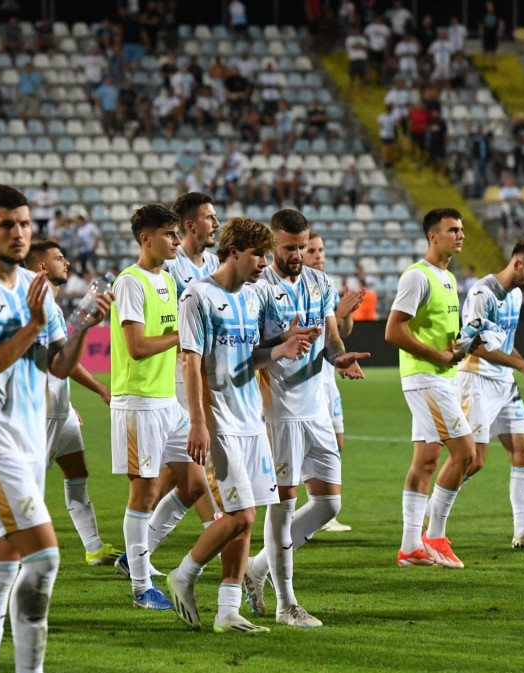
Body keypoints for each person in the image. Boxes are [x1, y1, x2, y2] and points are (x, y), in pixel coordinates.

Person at [0, 186, 111, 673]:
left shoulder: (35, 288)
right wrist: (33, 324)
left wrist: (81, 325)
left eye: (24, 224)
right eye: (6, 224)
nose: (18, 233)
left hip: (28, 442)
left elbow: (58, 366)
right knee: (43, 559)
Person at [168, 216, 311, 634]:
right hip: (219, 423)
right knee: (241, 515)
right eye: (259, 255)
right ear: (234, 252)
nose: (266, 263)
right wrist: (198, 422)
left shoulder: (250, 298)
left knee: (248, 518)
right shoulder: (198, 297)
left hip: (250, 420)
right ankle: (184, 573)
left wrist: (281, 348)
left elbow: (251, 358)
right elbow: (191, 362)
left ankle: (228, 610)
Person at [243, 209, 369, 627]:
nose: (297, 254)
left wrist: (339, 357)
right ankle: (286, 605)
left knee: (329, 503)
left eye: (302, 245)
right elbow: (250, 353)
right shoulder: (258, 288)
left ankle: (257, 567)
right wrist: (281, 345)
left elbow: (332, 337)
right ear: (271, 245)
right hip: (279, 412)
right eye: (289, 247)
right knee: (282, 507)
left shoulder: (320, 282)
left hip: (316, 409)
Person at [108, 204, 206, 610]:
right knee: (144, 494)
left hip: (168, 402)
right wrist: (180, 335)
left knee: (195, 484)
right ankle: (140, 587)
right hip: (138, 404)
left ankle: (137, 559)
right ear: (146, 238)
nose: (176, 242)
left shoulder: (166, 278)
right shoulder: (130, 282)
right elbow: (137, 346)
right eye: (168, 234)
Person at [384, 207, 475, 568]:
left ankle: (410, 547)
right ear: (433, 237)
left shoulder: (448, 279)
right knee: (466, 454)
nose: (460, 234)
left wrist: (460, 347)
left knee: (426, 461)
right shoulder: (418, 277)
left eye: (462, 229)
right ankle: (434, 535)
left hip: (443, 377)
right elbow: (393, 330)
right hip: (425, 377)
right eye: (453, 229)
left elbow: (438, 334)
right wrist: (437, 356)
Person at [25, 241, 124, 566]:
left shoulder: (50, 306)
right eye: (58, 259)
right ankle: (24, 554)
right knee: (29, 486)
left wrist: (95, 389)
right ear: (41, 267)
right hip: (39, 413)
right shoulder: (31, 304)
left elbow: (61, 359)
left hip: (60, 409)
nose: (66, 262)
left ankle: (94, 547)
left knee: (77, 471)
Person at [455, 240, 524, 549]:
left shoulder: (514, 295)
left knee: (523, 451)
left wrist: (523, 364)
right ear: (517, 265)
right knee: (473, 460)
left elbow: (504, 339)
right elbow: (477, 345)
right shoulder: (481, 294)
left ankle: (523, 531)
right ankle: (429, 514)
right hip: (476, 380)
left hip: (503, 383)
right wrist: (522, 366)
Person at [150, 193, 223, 544]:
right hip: (181, 370)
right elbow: (161, 324)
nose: (218, 224)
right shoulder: (170, 268)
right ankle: (216, 529)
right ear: (191, 225)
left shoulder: (214, 265)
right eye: (211, 217)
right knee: (194, 454)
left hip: (208, 369)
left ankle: (141, 531)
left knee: (180, 461)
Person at [303, 232, 365, 533]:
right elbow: (316, 335)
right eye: (312, 250)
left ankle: (323, 510)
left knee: (336, 443)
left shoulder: (325, 285)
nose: (319, 255)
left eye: (322, 249)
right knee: (315, 445)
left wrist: (345, 314)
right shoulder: (300, 290)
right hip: (309, 378)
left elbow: (342, 332)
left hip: (328, 376)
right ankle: (316, 509)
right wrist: (338, 314)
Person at [345, 26, 368, 101]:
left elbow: (366, 48)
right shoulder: (349, 39)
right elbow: (352, 47)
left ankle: (363, 95)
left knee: (363, 78)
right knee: (352, 78)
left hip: (362, 59)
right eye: (355, 30)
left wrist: (358, 46)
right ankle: (351, 94)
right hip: (353, 59)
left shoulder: (363, 39)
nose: (356, 31)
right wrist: (361, 46)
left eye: (357, 30)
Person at [479, 1, 504, 68]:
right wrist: (481, 33)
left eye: (490, 6)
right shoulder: (483, 13)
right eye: (488, 6)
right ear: (486, 7)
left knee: (493, 49)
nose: (489, 7)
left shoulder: (497, 13)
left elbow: (501, 22)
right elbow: (481, 24)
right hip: (486, 33)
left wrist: (499, 31)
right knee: (486, 49)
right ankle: (486, 64)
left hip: (494, 33)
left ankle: (493, 64)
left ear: (492, 6)